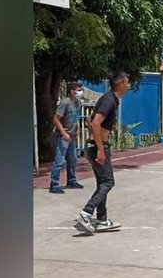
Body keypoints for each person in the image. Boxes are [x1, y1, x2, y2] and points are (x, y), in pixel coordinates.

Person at [75, 71, 130, 234]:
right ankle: (86, 212)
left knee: (102, 183)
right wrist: (100, 148)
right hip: (97, 146)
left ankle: (102, 219)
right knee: (108, 183)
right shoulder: (109, 100)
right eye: (127, 83)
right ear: (121, 84)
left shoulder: (109, 99)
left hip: (93, 145)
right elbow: (96, 123)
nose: (129, 85)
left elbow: (89, 120)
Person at [49, 82, 84, 193]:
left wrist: (77, 129)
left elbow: (75, 118)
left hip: (72, 136)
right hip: (62, 136)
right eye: (78, 90)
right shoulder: (65, 103)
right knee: (59, 160)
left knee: (72, 159)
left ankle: (71, 180)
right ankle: (54, 185)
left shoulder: (78, 103)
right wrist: (64, 133)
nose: (80, 92)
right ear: (72, 92)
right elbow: (56, 119)